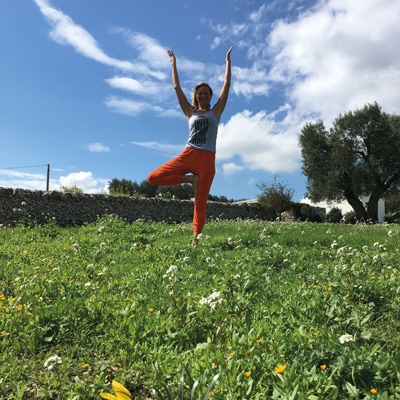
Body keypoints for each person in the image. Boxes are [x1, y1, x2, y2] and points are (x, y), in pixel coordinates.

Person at [148, 46, 233, 245]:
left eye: (206, 93)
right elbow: (177, 88)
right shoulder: (190, 112)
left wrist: (228, 63)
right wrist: (173, 64)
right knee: (154, 178)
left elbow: (226, 86)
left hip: (207, 160)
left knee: (200, 202)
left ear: (210, 96)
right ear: (196, 96)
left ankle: (195, 239)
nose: (203, 96)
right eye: (200, 93)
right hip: (189, 154)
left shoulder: (216, 112)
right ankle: (189, 181)